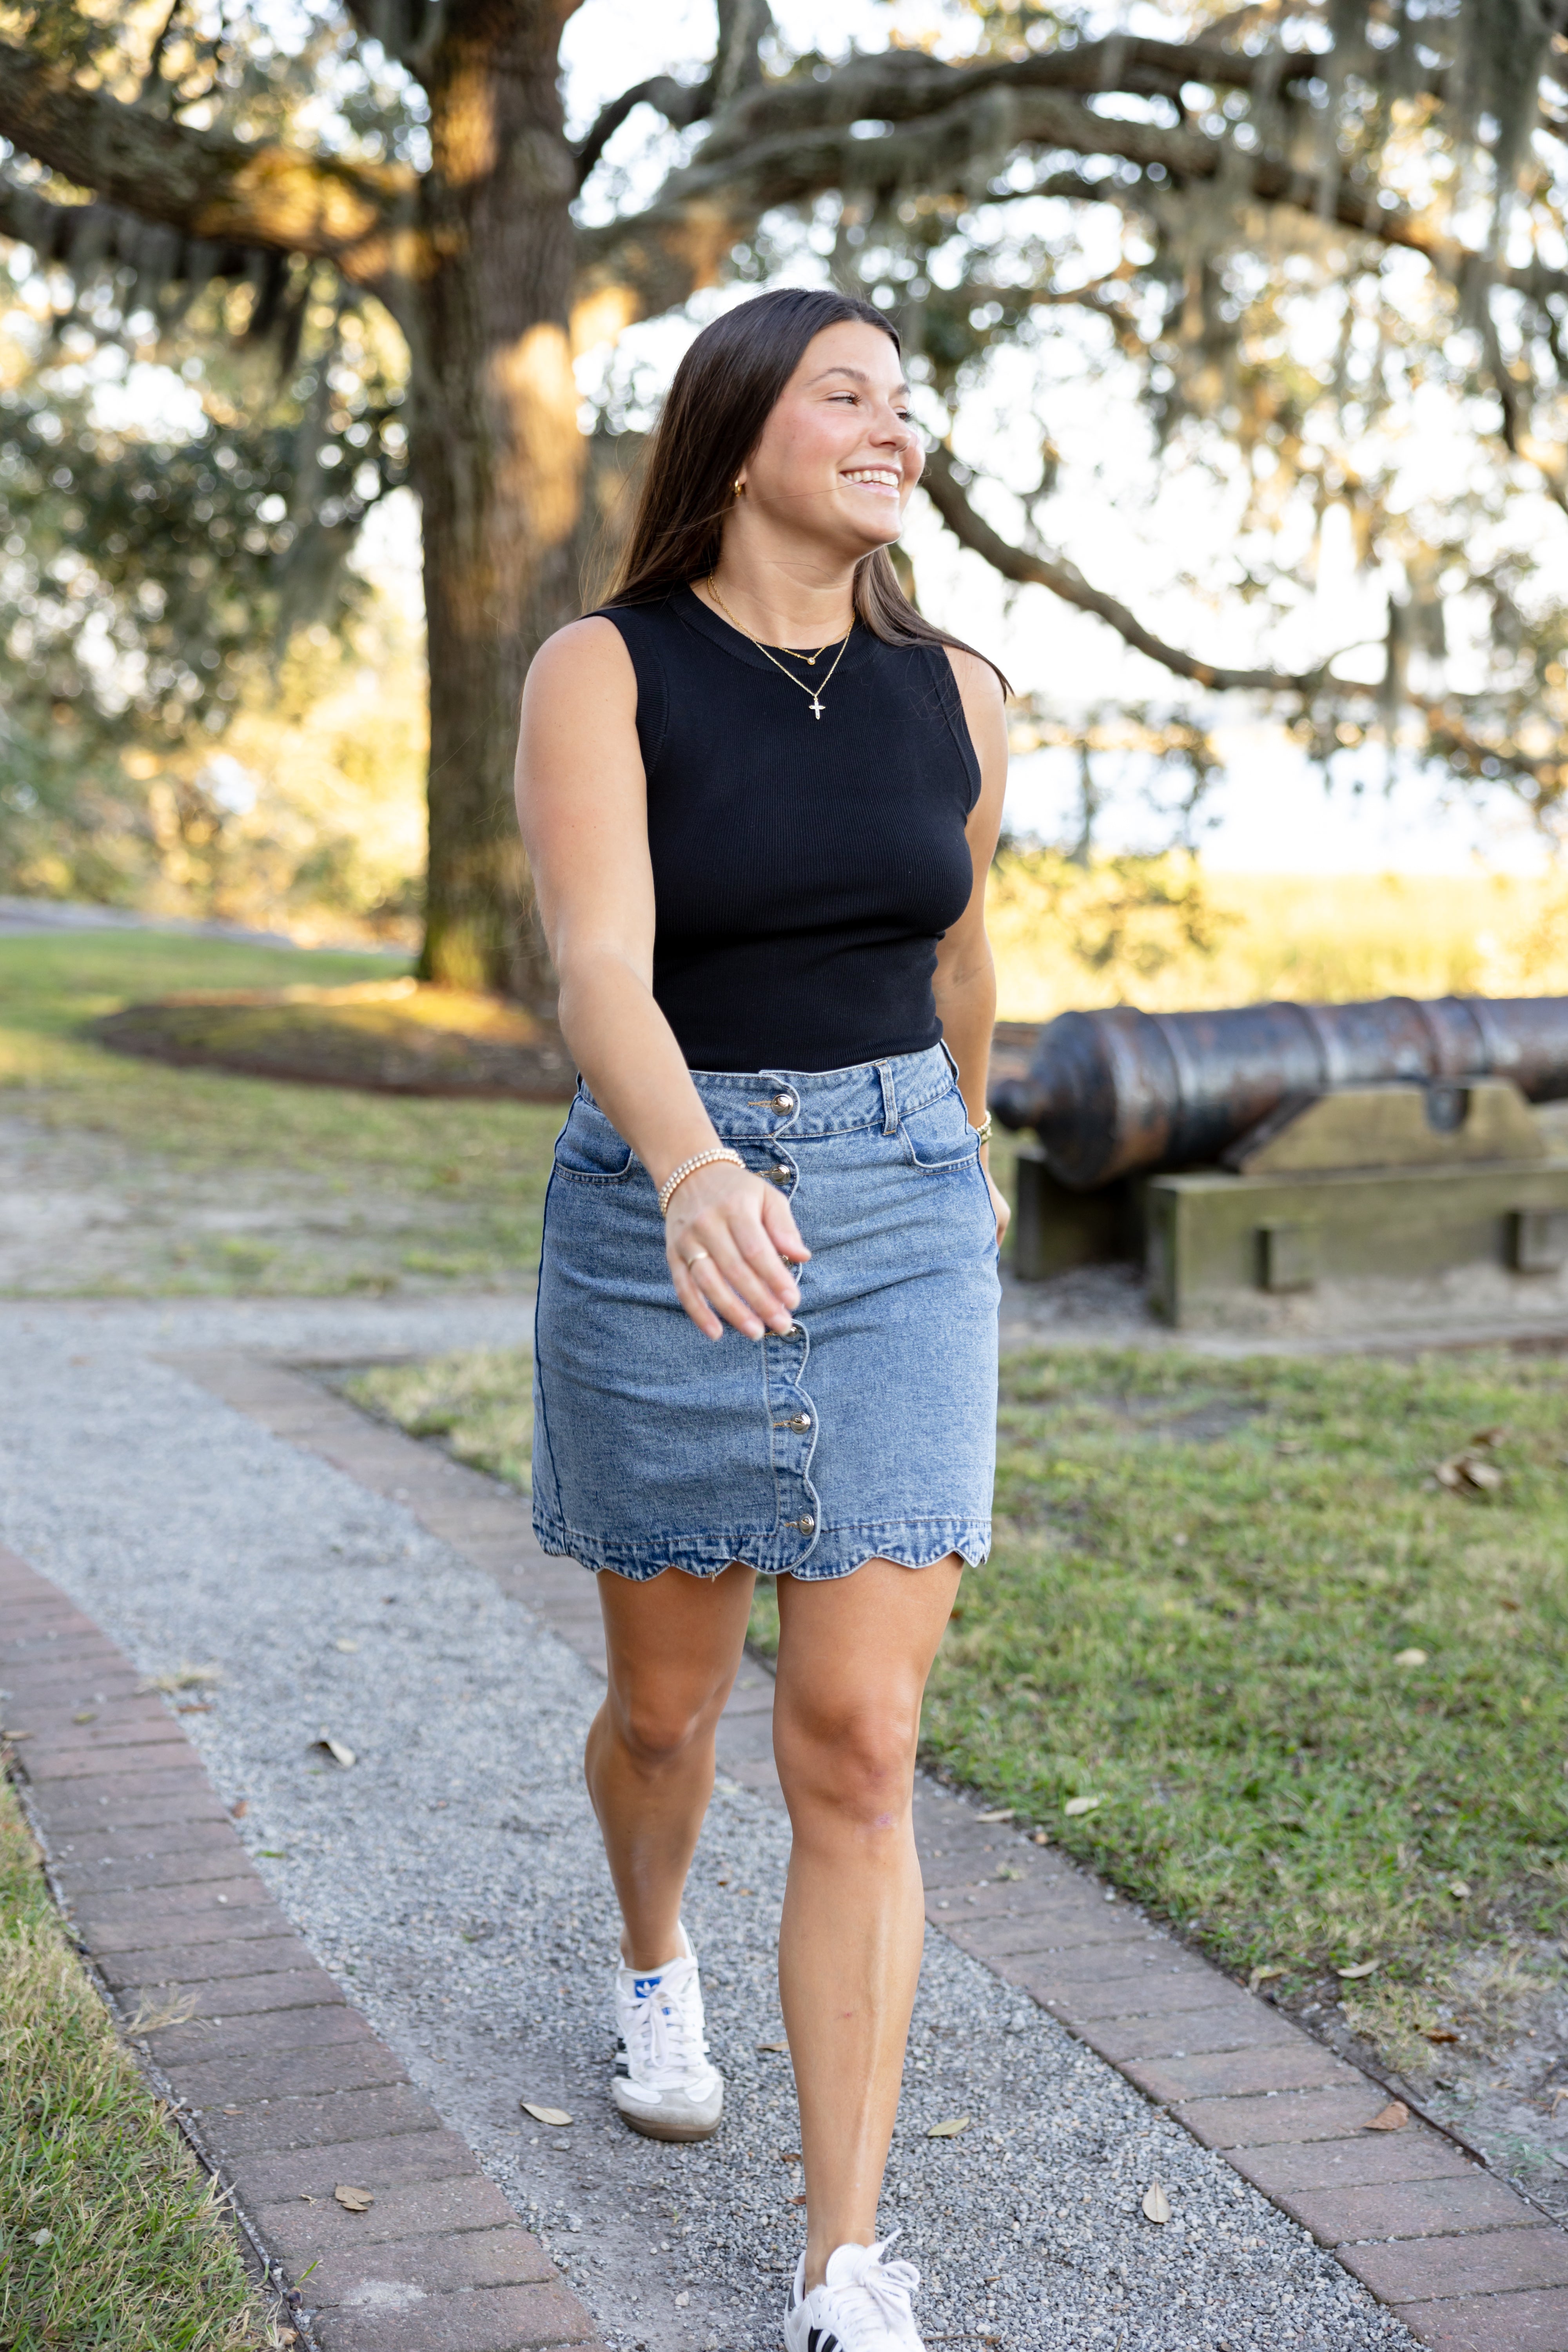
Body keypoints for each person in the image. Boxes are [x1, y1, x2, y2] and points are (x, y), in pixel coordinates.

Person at [514, 285, 1010, 2352]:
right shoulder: (603, 669)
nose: (893, 429)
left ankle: (842, 2267)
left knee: (863, 1747)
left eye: (907, 402)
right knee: (670, 1715)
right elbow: (600, 972)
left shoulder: (967, 688)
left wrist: (961, 1172)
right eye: (847, 394)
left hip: (902, 1211)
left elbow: (965, 959)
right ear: (737, 440)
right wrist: (705, 1167)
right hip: (664, 1202)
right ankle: (653, 1955)